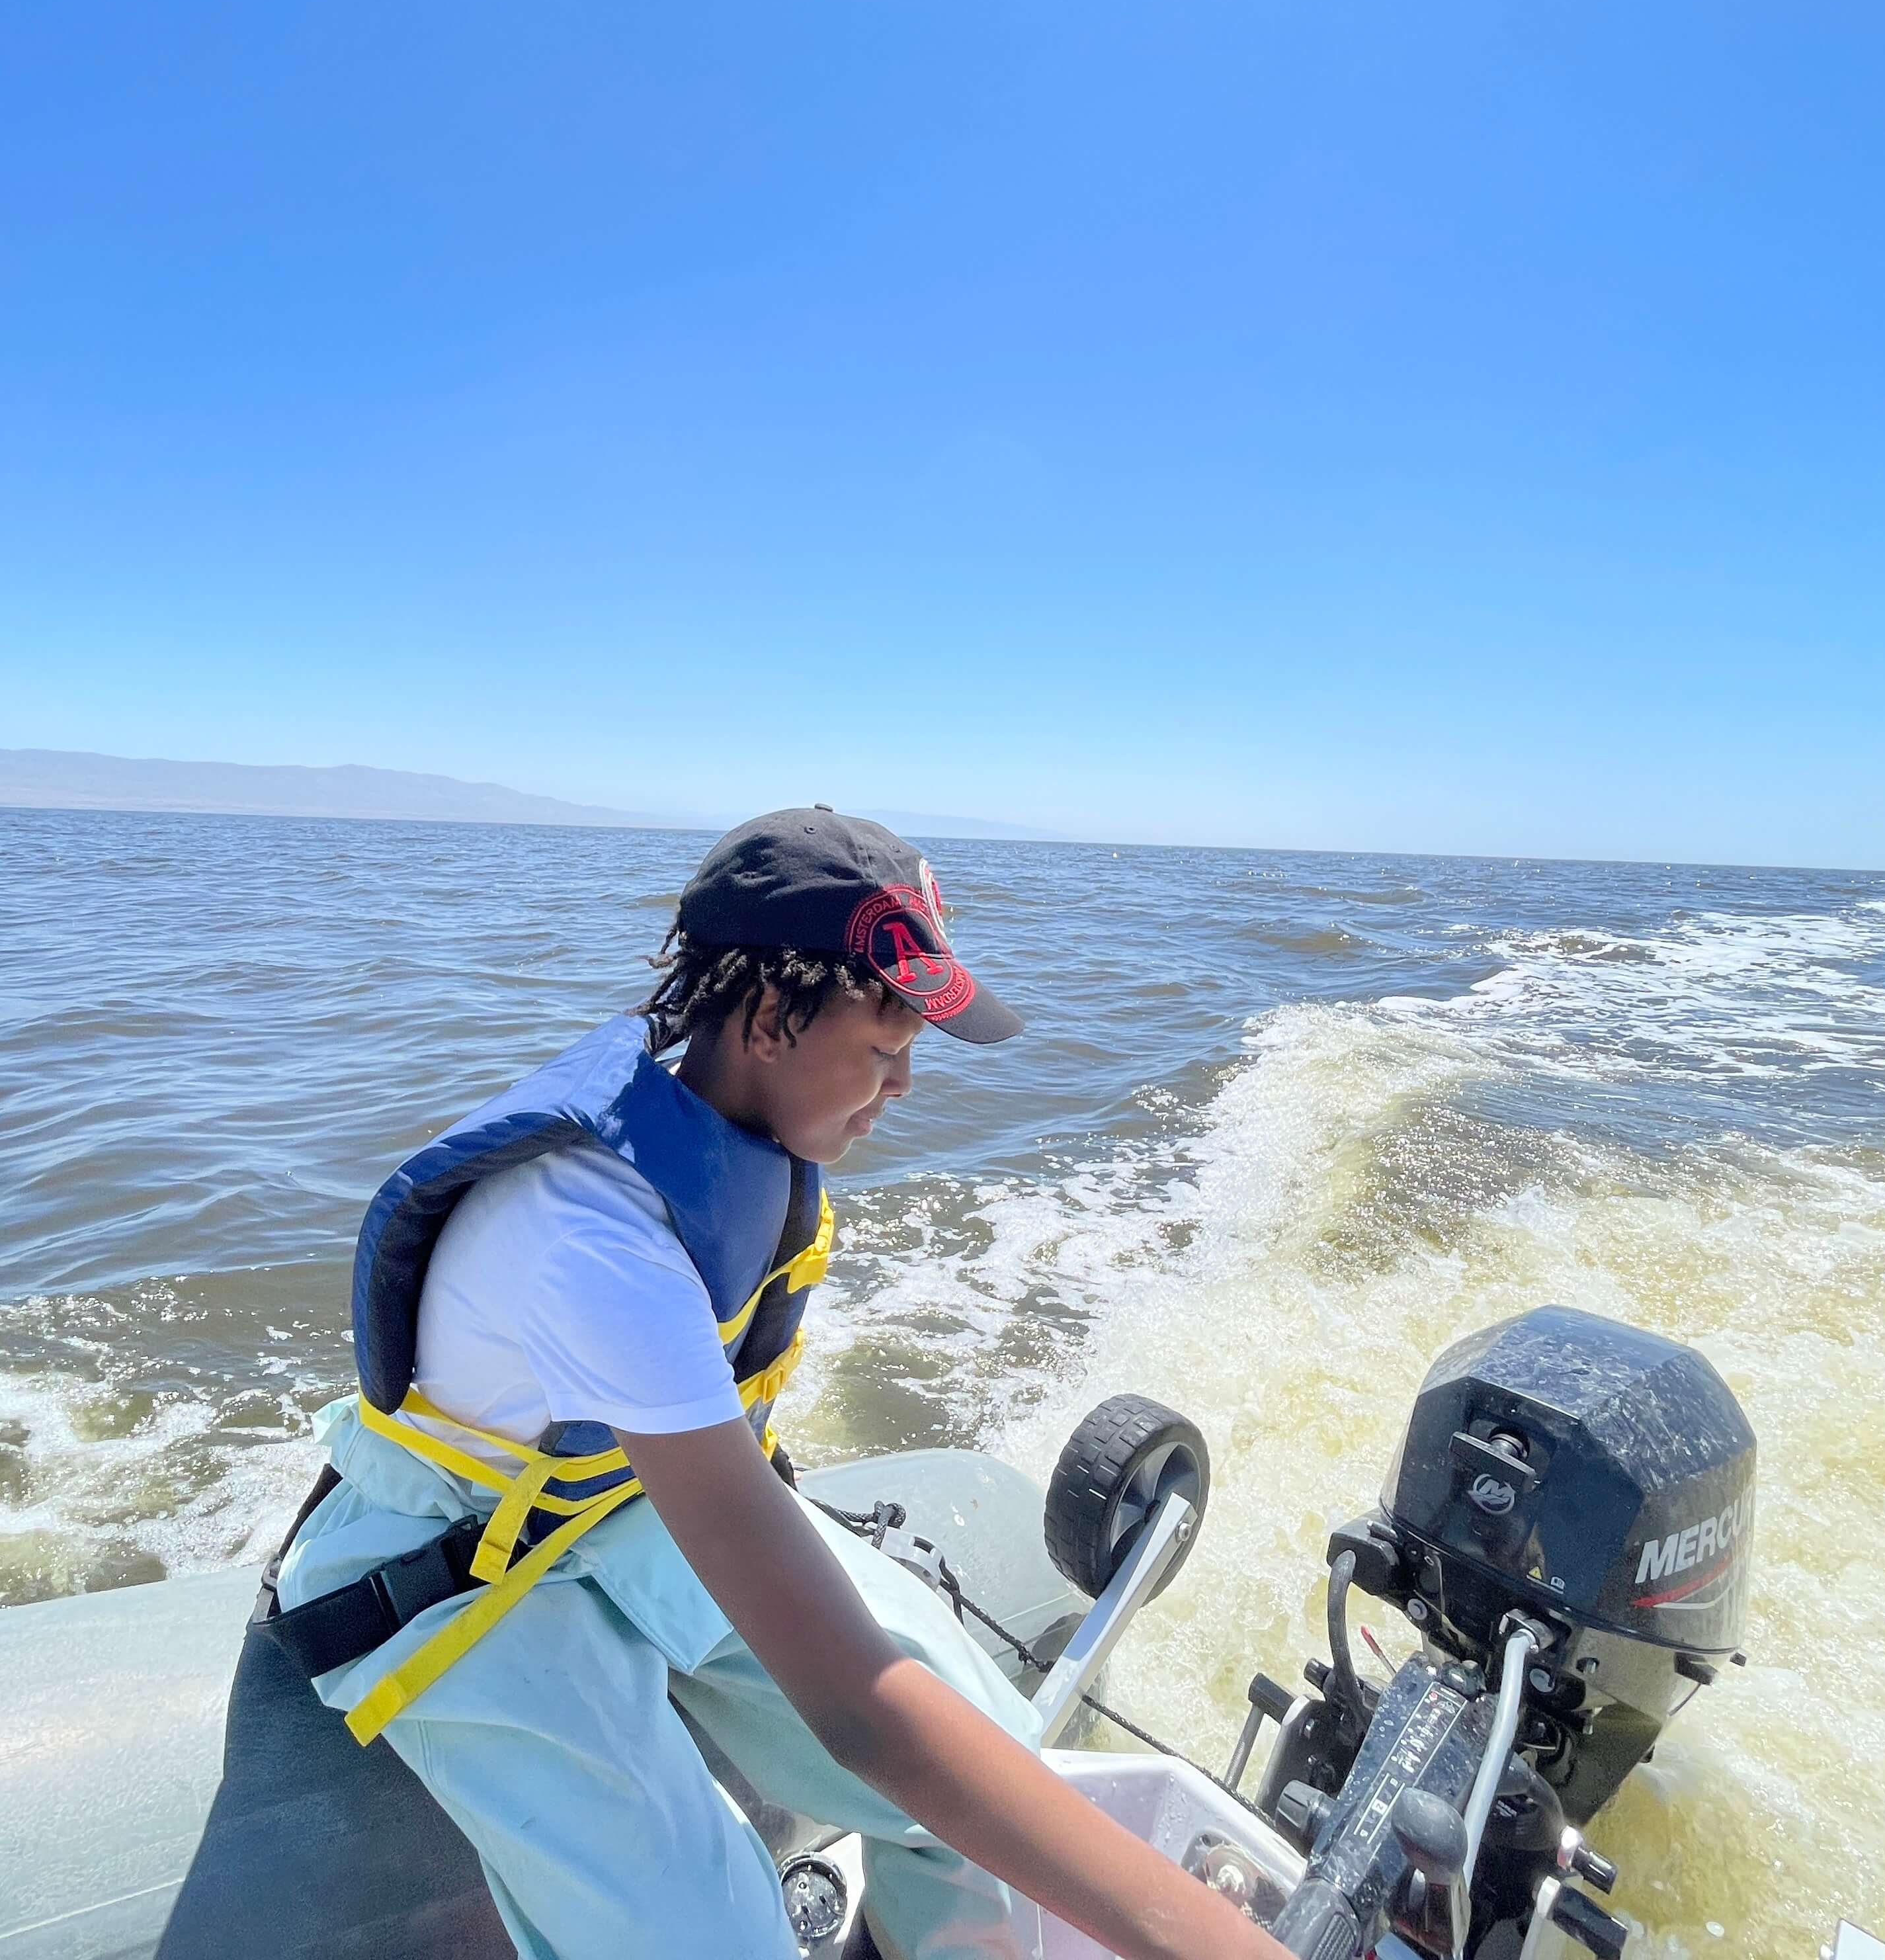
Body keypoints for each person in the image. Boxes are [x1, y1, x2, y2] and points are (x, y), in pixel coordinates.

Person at [262, 808, 1282, 1960]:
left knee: (984, 1753)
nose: (902, 1084)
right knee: (704, 1933)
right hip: (458, 1570)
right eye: (885, 1043)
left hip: (612, 1503)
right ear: (765, 1017)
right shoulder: (594, 1241)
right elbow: (858, 1711)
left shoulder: (747, 1140)